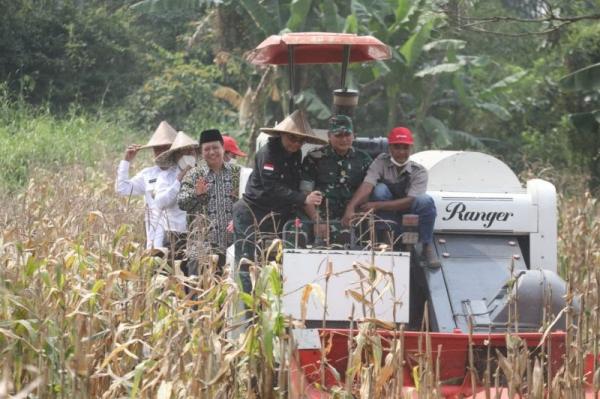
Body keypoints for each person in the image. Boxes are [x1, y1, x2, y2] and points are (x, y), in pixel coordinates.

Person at [232, 110, 327, 292]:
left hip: (277, 214)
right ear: (282, 135)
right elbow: (272, 187)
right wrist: (303, 198)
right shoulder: (267, 153)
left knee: (284, 257)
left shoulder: (296, 154)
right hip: (251, 211)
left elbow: (292, 184)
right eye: (292, 138)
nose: (296, 144)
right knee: (247, 262)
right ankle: (249, 310)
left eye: (300, 140)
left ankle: (281, 300)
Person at [342, 126, 439, 266]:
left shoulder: (419, 171)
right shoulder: (381, 161)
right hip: (387, 217)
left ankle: (426, 245)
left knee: (425, 200)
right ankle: (387, 239)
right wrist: (350, 208)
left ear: (410, 149)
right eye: (397, 147)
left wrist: (375, 205)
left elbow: (410, 201)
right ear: (390, 148)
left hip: (410, 216)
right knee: (379, 190)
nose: (401, 152)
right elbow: (367, 184)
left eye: (405, 148)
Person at [177, 129, 241, 275]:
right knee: (199, 290)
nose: (212, 152)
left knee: (229, 289)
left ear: (223, 148)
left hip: (231, 244)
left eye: (215, 147)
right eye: (207, 149)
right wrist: (196, 194)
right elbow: (181, 202)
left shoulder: (237, 173)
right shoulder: (193, 174)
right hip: (201, 245)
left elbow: (249, 201)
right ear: (201, 151)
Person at [301, 115, 372, 243]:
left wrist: (355, 211)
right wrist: (317, 220)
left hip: (351, 219)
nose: (344, 139)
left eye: (347, 134)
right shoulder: (315, 158)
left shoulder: (363, 159)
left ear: (353, 135)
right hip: (320, 218)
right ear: (329, 136)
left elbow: (369, 189)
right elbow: (305, 193)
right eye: (338, 135)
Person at [115, 121, 178, 249]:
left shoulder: (183, 172)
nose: (160, 152)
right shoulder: (148, 174)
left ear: (173, 150)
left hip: (178, 234)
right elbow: (122, 189)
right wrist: (126, 160)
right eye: (157, 149)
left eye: (165, 148)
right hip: (154, 237)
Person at [153, 131, 199, 273]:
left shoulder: (202, 174)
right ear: (177, 156)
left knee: (193, 277)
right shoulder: (166, 177)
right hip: (175, 233)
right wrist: (178, 181)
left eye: (191, 151)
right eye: (183, 152)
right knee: (173, 275)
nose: (188, 155)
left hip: (197, 234)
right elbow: (160, 202)